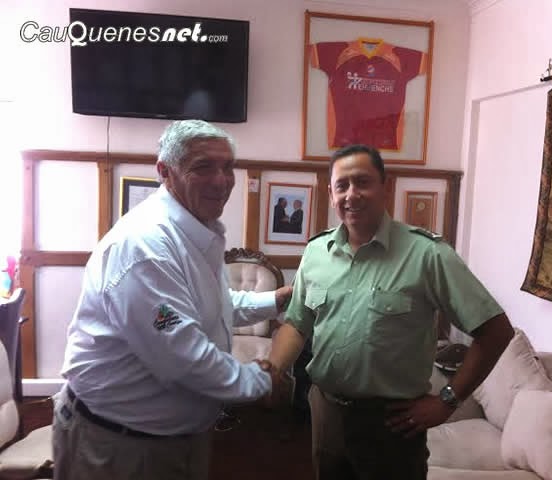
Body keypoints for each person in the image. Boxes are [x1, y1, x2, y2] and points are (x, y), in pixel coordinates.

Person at [53, 120, 292, 480]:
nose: (221, 181)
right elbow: (181, 350)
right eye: (203, 167)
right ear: (165, 172)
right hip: (121, 446)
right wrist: (262, 381)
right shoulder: (145, 248)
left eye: (228, 167)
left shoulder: (194, 229)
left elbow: (208, 306)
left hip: (171, 436)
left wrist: (275, 300)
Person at [269, 144, 514, 480]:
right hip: (327, 413)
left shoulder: (427, 254)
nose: (351, 194)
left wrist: (447, 400)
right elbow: (297, 324)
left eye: (362, 182)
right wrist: (273, 369)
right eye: (342, 185)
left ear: (385, 186)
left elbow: (496, 330)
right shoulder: (316, 252)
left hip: (392, 424)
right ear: (330, 194)